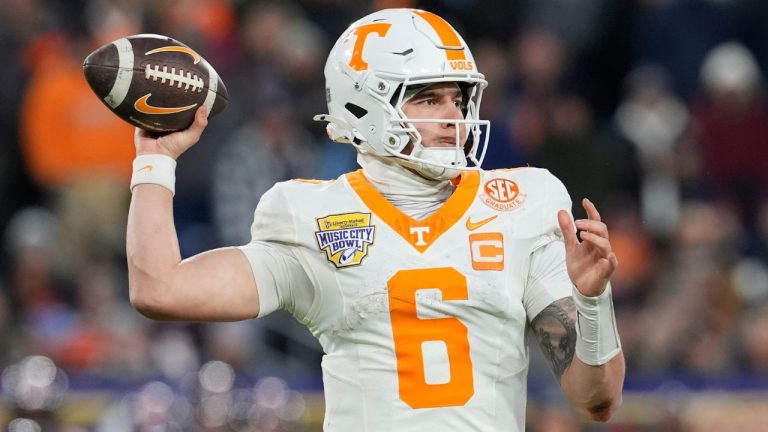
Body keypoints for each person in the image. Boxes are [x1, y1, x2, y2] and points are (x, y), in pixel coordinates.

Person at [126, 8, 625, 431]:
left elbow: (596, 401)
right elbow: (161, 290)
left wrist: (593, 301)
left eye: (458, 99)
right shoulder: (311, 216)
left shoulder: (520, 203)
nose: (453, 117)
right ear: (364, 105)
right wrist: (155, 161)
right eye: (428, 98)